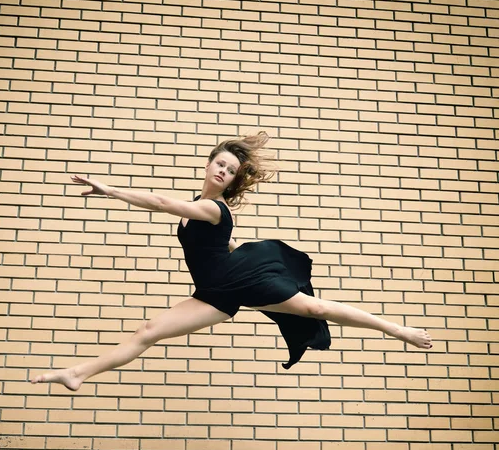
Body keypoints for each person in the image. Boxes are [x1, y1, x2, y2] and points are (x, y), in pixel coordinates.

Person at [31, 132, 432, 391]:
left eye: (231, 169)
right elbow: (220, 242)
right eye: (219, 163)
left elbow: (158, 202)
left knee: (315, 307)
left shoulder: (209, 207)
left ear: (233, 178)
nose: (223, 170)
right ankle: (78, 373)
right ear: (209, 164)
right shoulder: (203, 207)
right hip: (213, 294)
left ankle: (398, 330)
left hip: (239, 282)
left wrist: (111, 190)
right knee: (148, 331)